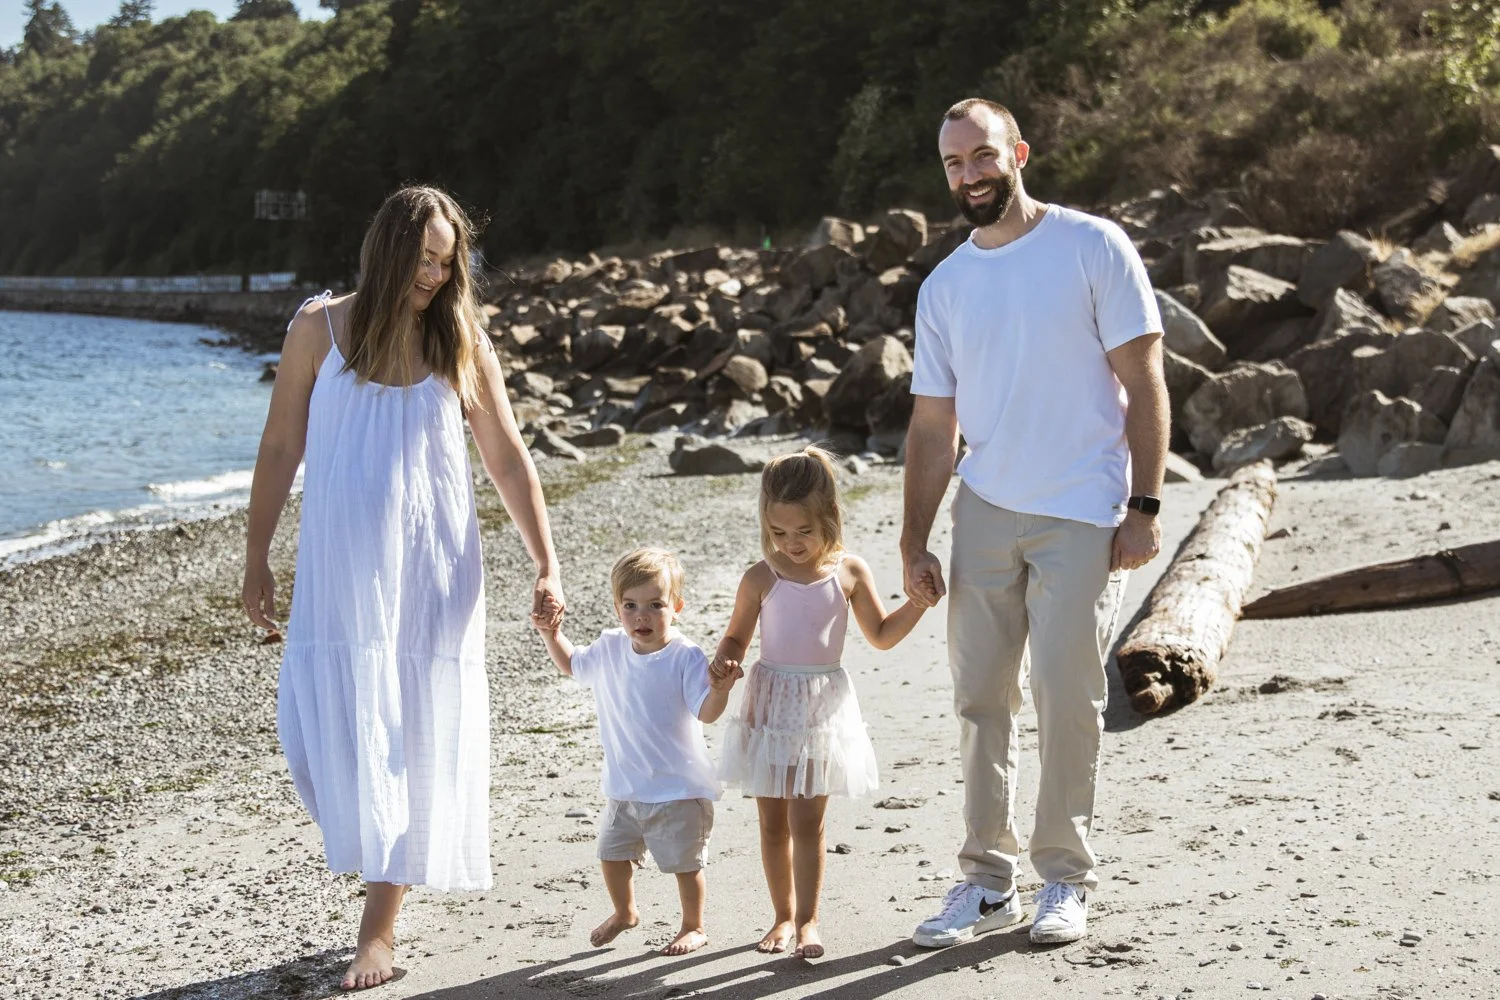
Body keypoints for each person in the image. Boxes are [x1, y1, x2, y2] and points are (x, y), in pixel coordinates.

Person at [242, 186, 565, 990]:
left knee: (413, 729)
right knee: (321, 737)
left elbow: (507, 459)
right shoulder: (319, 329)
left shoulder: (459, 339)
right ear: (386, 248)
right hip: (341, 576)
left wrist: (545, 561)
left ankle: (379, 927)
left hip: (432, 569)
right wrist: (256, 556)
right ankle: (382, 866)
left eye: (446, 261)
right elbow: (281, 445)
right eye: (423, 258)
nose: (433, 274)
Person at [902, 98, 1169, 948]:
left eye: (981, 156)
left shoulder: (1093, 246)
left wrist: (1145, 506)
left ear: (1016, 151)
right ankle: (986, 881)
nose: (970, 175)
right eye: (953, 164)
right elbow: (934, 427)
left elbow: (1147, 379)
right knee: (981, 699)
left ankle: (1064, 878)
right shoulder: (946, 285)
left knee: (1066, 697)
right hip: (985, 509)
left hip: (1083, 509)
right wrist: (914, 537)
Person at [714, 446, 933, 959]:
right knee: (771, 823)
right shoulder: (760, 577)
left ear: (829, 517)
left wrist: (918, 604)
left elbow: (880, 634)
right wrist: (723, 663)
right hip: (770, 705)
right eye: (779, 533)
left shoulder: (849, 572)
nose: (790, 544)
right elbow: (735, 640)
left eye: (803, 532)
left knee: (808, 822)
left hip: (820, 709)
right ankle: (782, 917)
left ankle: (810, 919)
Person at [531, 548, 735, 956]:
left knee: (685, 863)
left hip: (677, 788)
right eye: (631, 606)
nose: (642, 616)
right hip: (625, 787)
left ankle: (693, 926)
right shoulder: (609, 647)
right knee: (611, 854)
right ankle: (625, 912)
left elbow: (706, 713)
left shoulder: (685, 656)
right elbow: (573, 665)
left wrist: (720, 689)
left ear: (676, 607)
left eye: (655, 605)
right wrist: (551, 634)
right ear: (617, 608)